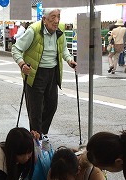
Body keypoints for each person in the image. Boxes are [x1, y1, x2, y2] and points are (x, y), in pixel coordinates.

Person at [11, 8, 77, 138]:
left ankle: (42, 133)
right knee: (35, 110)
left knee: (51, 105)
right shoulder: (33, 31)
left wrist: (69, 60)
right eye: (53, 17)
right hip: (35, 73)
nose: (56, 20)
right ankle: (36, 138)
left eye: (58, 16)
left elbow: (63, 50)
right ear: (44, 19)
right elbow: (16, 49)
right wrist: (22, 64)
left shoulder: (60, 30)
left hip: (52, 73)